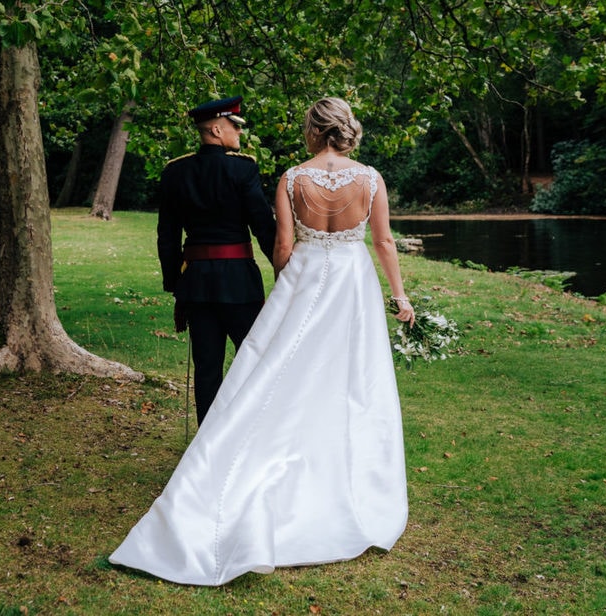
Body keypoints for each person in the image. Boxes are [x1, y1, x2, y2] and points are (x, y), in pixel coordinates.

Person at [109, 97, 415, 586]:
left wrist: (278, 287)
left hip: (259, 278)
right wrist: (399, 295)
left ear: (314, 131)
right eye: (232, 125)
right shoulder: (365, 178)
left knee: (255, 371)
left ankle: (217, 450)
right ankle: (337, 463)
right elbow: (376, 241)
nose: (237, 131)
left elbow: (276, 244)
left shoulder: (281, 177)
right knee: (331, 371)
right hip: (321, 283)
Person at [156, 95, 277, 426]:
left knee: (207, 368)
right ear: (215, 129)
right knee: (253, 360)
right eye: (234, 127)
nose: (239, 133)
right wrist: (284, 272)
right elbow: (264, 229)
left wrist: (175, 285)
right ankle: (249, 434)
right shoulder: (243, 168)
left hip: (196, 285)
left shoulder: (175, 172)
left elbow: (167, 238)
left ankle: (207, 447)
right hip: (240, 282)